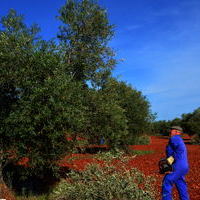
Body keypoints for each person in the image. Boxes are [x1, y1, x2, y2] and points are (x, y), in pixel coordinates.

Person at [162, 126, 190, 200]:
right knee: (180, 183)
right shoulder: (180, 140)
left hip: (177, 165)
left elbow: (176, 154)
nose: (170, 132)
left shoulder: (175, 138)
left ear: (177, 132)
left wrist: (167, 162)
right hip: (184, 166)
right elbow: (178, 152)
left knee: (167, 182)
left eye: (172, 130)